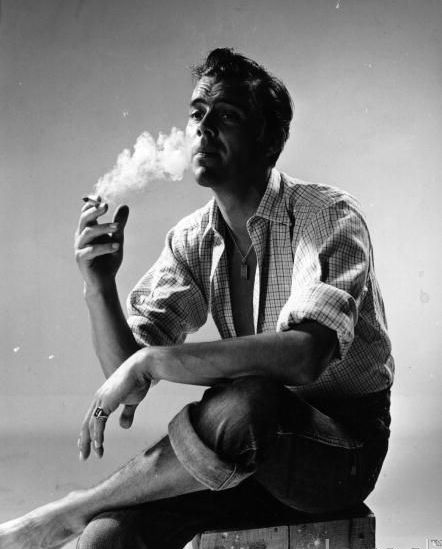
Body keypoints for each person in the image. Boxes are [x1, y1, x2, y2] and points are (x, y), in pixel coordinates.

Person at [0, 48, 394, 549]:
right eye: (197, 113)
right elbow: (127, 377)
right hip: (245, 447)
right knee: (108, 538)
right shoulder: (192, 239)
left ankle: (70, 512)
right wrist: (98, 285)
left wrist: (154, 361)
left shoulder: (326, 215)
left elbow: (305, 356)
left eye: (226, 116)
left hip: (338, 453)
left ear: (269, 141)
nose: (204, 128)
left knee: (250, 400)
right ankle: (89, 517)